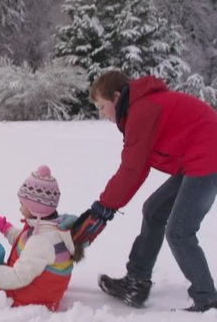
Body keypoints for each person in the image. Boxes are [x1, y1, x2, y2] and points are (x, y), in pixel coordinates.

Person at [72, 70, 217, 312]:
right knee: (154, 209)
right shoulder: (139, 109)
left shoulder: (142, 111)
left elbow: (132, 168)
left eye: (101, 106)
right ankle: (136, 281)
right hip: (196, 159)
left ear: (117, 97)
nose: (101, 114)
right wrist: (107, 206)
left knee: (180, 231)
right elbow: (138, 168)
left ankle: (207, 298)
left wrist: (104, 207)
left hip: (208, 159)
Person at [0, 165, 80, 311]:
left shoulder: (42, 241)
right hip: (36, 287)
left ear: (35, 208)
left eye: (22, 204)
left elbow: (17, 277)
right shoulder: (49, 228)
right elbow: (25, 242)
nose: (19, 208)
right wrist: (5, 227)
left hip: (28, 296)